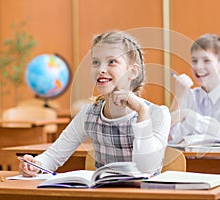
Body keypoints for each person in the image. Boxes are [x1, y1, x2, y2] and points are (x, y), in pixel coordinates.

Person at [19, 31, 171, 177]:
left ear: (133, 72)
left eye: (112, 62)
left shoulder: (157, 114)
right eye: (96, 62)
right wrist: (35, 164)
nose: (101, 69)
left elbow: (146, 170)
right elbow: (53, 156)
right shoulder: (88, 114)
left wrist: (142, 111)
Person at [169, 33, 220, 144]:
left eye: (206, 61)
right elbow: (170, 138)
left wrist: (188, 115)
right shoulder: (190, 95)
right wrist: (179, 97)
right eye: (194, 61)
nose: (198, 67)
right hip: (192, 160)